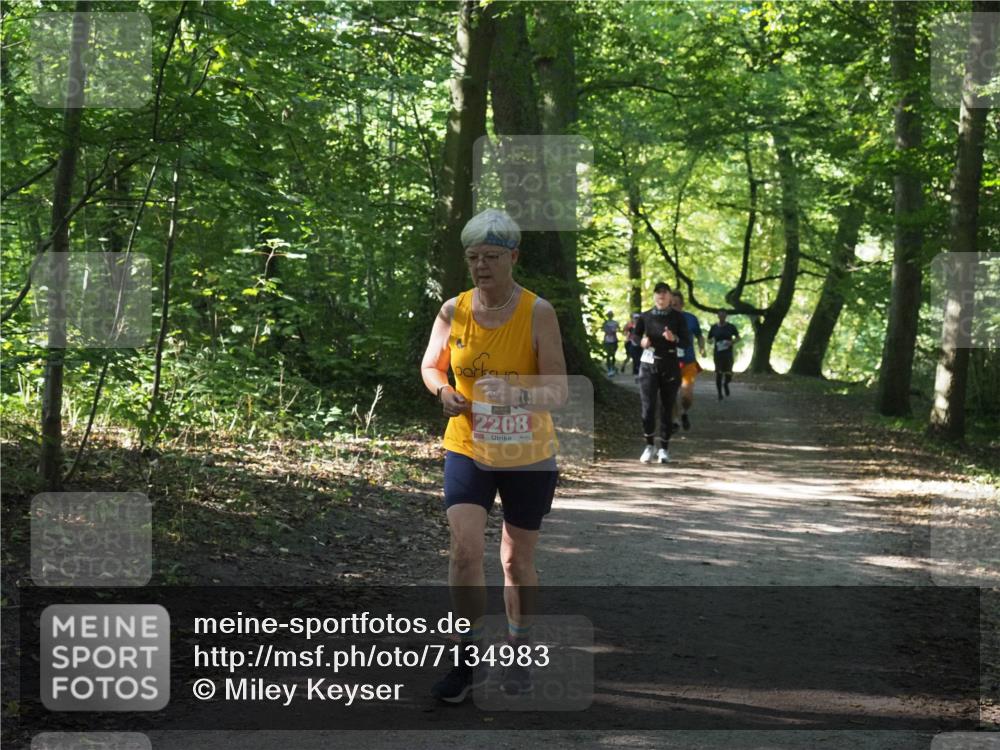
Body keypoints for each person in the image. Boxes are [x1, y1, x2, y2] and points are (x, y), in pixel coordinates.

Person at [420, 208, 568, 703]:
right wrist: (443, 391)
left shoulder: (537, 312)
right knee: (464, 550)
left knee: (515, 562)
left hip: (527, 451)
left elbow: (558, 389)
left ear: (513, 257)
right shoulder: (453, 310)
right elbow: (431, 365)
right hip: (468, 445)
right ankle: (465, 662)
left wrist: (516, 395)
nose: (480, 266)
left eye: (491, 257)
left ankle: (519, 649)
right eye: (473, 257)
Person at [634, 282, 691, 463]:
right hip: (648, 366)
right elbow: (635, 336)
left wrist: (674, 338)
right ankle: (649, 445)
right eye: (658, 293)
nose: (661, 296)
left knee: (667, 408)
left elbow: (686, 342)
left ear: (670, 297)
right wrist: (641, 342)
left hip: (670, 364)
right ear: (654, 296)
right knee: (648, 407)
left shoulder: (678, 318)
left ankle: (664, 449)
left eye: (665, 293)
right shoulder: (645, 317)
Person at [670, 292, 706, 432]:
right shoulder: (664, 319)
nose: (673, 307)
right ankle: (674, 421)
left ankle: (684, 412)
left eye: (676, 304)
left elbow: (699, 336)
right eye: (671, 304)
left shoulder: (691, 319)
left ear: (682, 304)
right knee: (671, 394)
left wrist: (702, 348)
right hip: (670, 362)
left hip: (688, 362)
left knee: (686, 396)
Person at [708, 311, 740, 400]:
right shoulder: (714, 327)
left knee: (728, 373)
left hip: (728, 353)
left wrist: (731, 342)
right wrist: (711, 341)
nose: (722, 317)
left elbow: (738, 338)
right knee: (719, 373)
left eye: (723, 315)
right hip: (718, 353)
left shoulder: (731, 327)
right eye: (720, 315)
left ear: (726, 316)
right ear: (718, 316)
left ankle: (726, 383)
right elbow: (709, 339)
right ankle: (719, 394)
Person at [601, 311, 620, 377]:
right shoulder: (605, 323)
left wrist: (614, 331)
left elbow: (618, 329)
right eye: (609, 315)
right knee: (608, 355)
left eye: (611, 315)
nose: (610, 316)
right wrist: (607, 331)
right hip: (607, 340)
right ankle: (609, 369)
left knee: (613, 354)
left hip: (614, 340)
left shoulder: (615, 323)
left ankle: (612, 367)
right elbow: (603, 329)